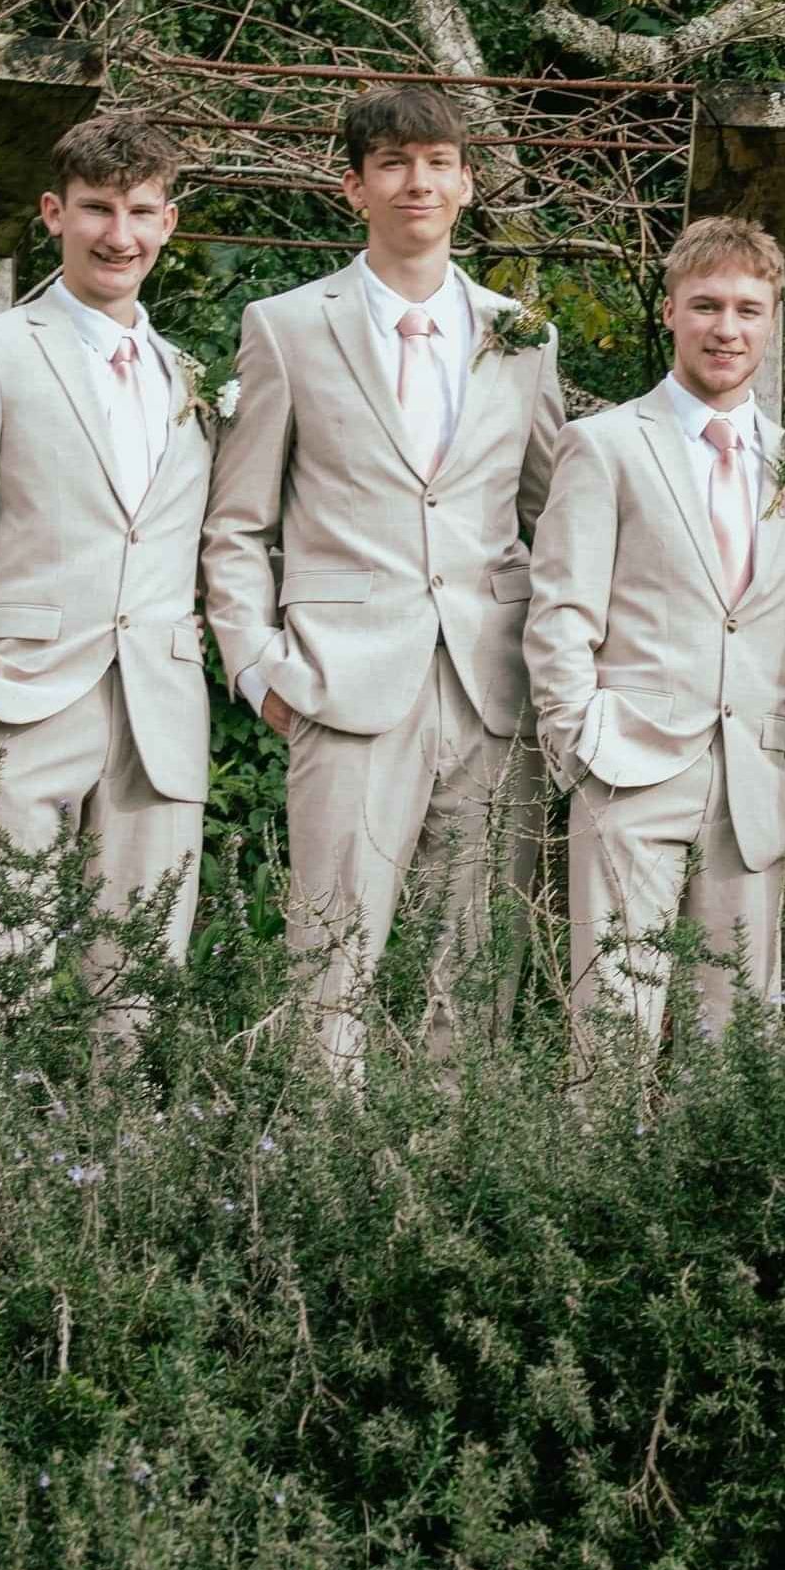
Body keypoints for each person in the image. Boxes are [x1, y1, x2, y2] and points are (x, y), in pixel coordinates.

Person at [200, 83, 573, 1070]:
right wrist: (257, 669)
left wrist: (557, 663)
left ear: (467, 183)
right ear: (353, 186)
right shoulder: (285, 327)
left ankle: (453, 1167)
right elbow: (237, 522)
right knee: (331, 951)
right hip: (342, 676)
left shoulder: (522, 336)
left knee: (474, 955)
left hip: (492, 685)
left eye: (439, 162)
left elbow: (558, 516)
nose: (420, 181)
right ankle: (321, 1158)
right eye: (395, 164)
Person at [526, 217, 785, 1060]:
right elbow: (561, 608)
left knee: (738, 1038)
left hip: (752, 778)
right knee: (612, 1028)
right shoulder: (603, 447)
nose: (727, 327)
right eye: (706, 305)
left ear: (773, 320)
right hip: (630, 766)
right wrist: (578, 741)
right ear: (670, 311)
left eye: (749, 308)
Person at [0, 109, 216, 974]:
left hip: (158, 709)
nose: (120, 236)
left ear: (168, 222)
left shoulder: (190, 374)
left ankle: (125, 1120)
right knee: (3, 975)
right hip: (17, 697)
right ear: (53, 213)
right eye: (97, 209)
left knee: (141, 979)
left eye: (141, 212)